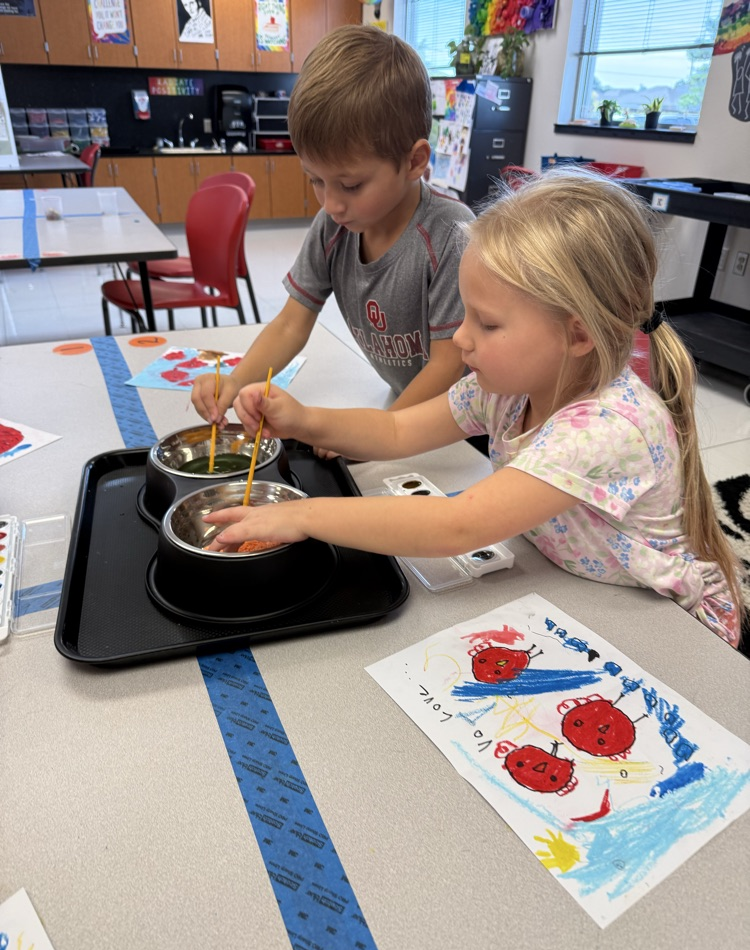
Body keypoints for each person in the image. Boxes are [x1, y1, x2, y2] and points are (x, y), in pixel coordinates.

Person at [204, 169, 745, 647]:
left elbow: (457, 526)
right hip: (577, 592)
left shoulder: (605, 429)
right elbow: (396, 432)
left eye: (486, 324)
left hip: (671, 630)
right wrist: (303, 419)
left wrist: (301, 515)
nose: (460, 339)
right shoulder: (506, 387)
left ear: (577, 334)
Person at [192, 24, 473, 436]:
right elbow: (291, 323)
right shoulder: (335, 225)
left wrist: (372, 433)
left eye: (352, 185)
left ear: (414, 162)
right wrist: (235, 381)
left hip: (468, 430)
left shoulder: (453, 234)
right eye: (315, 180)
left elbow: (449, 367)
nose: (331, 204)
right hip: (405, 413)